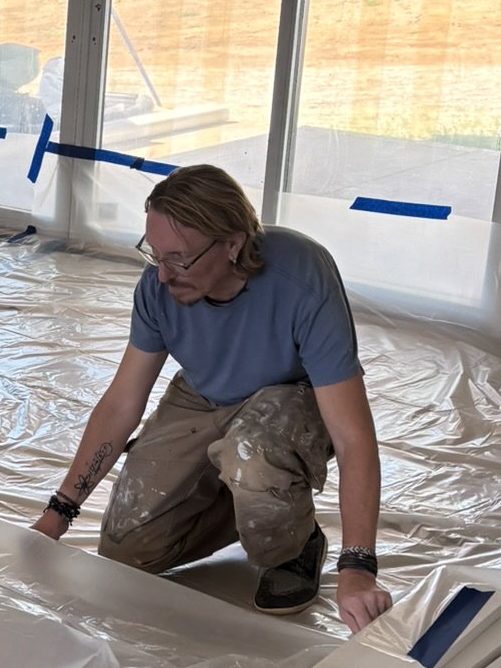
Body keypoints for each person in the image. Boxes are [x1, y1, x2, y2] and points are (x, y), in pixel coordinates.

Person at [32, 164, 392, 635]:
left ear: (233, 243)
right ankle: (251, 500)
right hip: (202, 395)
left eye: (178, 258)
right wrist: (58, 515)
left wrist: (358, 565)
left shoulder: (303, 275)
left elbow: (351, 435)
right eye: (153, 254)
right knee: (127, 550)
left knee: (253, 456)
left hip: (290, 397)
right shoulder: (159, 288)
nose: (162, 274)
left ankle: (295, 543)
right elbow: (122, 403)